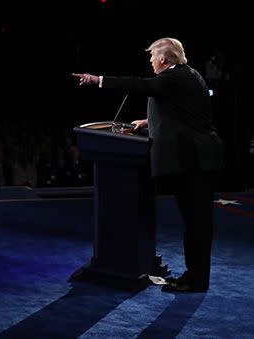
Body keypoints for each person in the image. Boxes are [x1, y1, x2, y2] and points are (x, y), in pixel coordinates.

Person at [73, 37, 224, 292]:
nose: (151, 61)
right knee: (195, 224)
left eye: (153, 57)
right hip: (198, 160)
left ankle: (196, 281)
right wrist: (147, 121)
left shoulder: (173, 77)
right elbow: (181, 112)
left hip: (194, 162)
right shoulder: (187, 75)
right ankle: (194, 276)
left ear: (164, 59)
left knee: (197, 225)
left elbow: (139, 85)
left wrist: (97, 80)